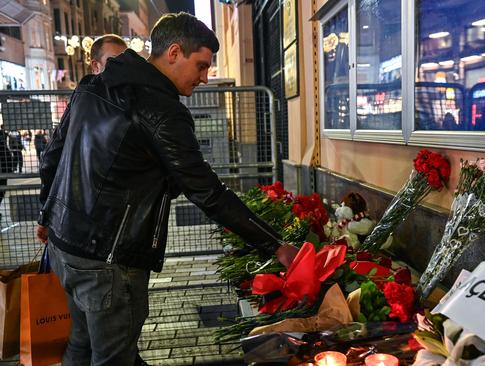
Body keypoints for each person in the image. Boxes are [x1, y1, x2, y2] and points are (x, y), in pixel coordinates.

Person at [36, 12, 299, 365]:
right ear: (173, 52)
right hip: (108, 263)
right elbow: (207, 192)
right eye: (201, 66)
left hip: (64, 246)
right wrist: (276, 246)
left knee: (80, 348)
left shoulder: (91, 87)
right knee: (114, 358)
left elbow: (52, 156)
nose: (205, 78)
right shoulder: (161, 111)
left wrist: (45, 214)